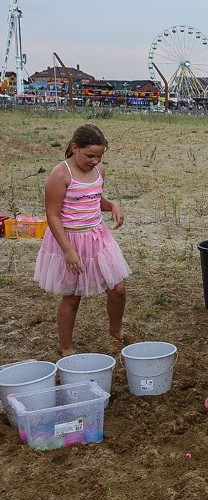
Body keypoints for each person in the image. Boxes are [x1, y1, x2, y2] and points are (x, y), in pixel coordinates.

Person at [33, 124, 132, 356]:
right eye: (90, 156)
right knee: (72, 296)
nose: (95, 161)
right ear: (74, 148)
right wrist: (68, 251)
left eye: (99, 156)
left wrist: (112, 205)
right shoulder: (60, 174)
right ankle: (66, 347)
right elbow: (53, 216)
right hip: (70, 240)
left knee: (118, 289)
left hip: (97, 237)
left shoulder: (99, 171)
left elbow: (95, 199)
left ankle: (115, 329)